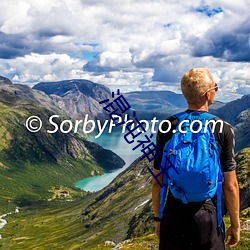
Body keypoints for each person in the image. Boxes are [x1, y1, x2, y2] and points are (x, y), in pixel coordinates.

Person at [152, 68, 240, 250]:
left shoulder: (168, 125)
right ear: (208, 94)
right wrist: (235, 225)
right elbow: (230, 185)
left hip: (174, 212)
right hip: (207, 215)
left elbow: (158, 181)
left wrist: (158, 218)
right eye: (216, 87)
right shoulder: (222, 129)